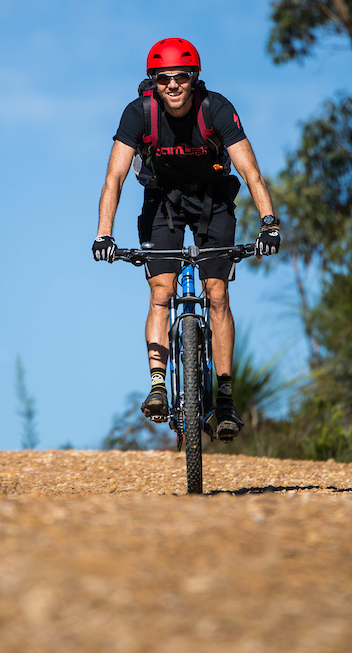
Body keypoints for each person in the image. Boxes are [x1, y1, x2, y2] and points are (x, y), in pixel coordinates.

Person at [92, 38, 281, 441]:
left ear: (194, 78)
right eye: (164, 79)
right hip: (163, 203)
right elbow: (115, 176)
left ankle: (225, 397)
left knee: (217, 294)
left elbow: (250, 171)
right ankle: (159, 385)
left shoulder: (217, 109)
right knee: (161, 292)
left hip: (213, 201)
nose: (173, 85)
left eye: (181, 77)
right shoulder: (139, 114)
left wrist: (269, 222)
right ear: (154, 82)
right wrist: (103, 233)